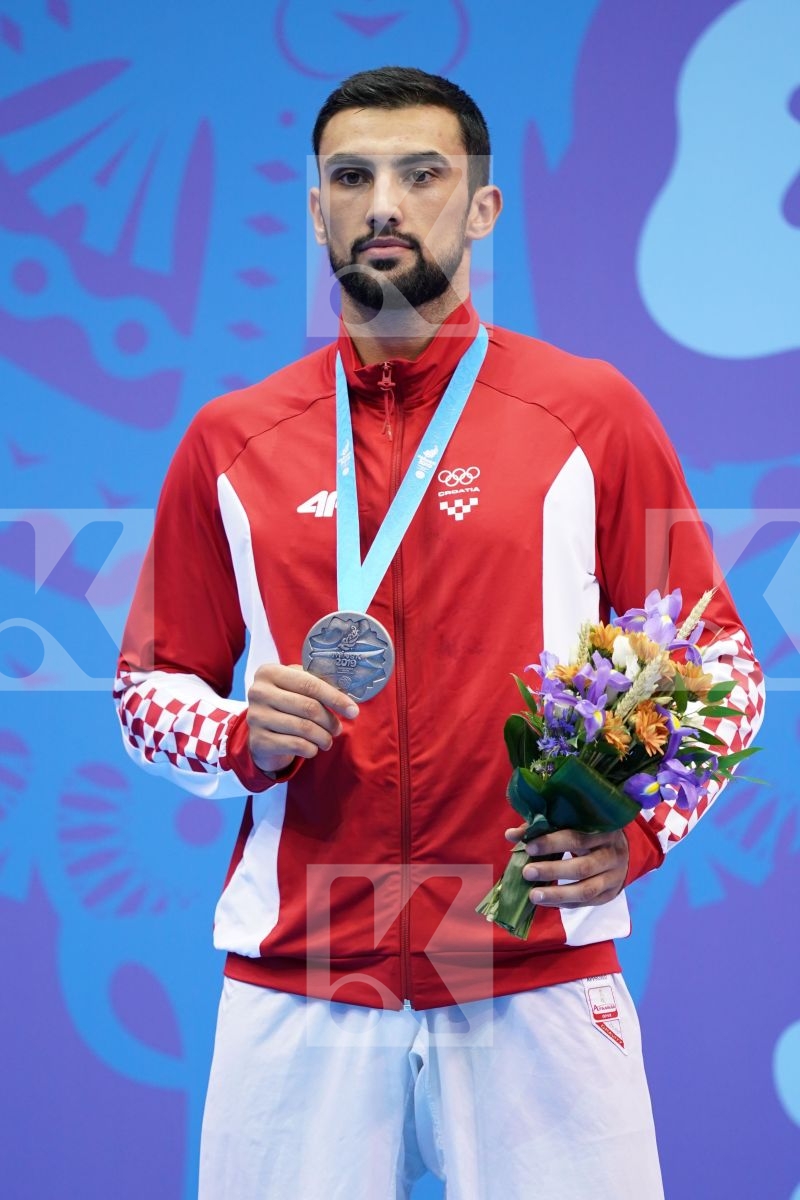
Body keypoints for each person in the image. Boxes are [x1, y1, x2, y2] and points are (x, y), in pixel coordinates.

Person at [114, 66, 764, 1200]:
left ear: (480, 208)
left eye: (422, 176)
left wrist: (642, 835)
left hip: (532, 967)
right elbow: (145, 688)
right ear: (313, 207)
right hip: (302, 973)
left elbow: (721, 672)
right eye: (350, 177)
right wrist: (236, 737)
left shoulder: (586, 415)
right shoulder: (232, 440)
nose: (383, 205)